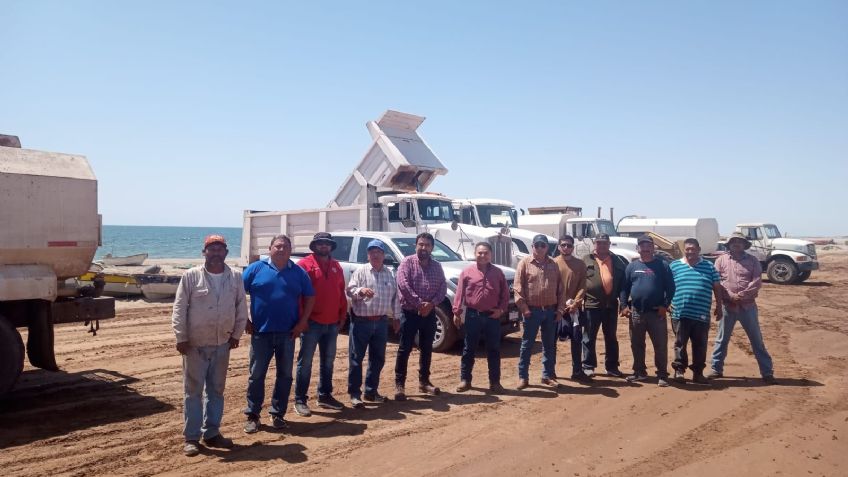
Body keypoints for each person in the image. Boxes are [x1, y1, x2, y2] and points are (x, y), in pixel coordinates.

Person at [173, 234, 248, 456]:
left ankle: (212, 433)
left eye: (220, 249)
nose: (216, 253)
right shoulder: (190, 276)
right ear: (204, 252)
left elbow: (241, 306)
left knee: (216, 390)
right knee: (193, 391)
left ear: (226, 252)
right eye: (211, 249)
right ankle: (192, 438)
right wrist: (181, 337)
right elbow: (179, 308)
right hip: (194, 344)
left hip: (222, 344)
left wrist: (236, 334)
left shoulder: (235, 277)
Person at [242, 234, 315, 433]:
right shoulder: (255, 269)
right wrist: (245, 320)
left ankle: (278, 414)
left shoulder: (298, 272)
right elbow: (237, 293)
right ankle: (253, 415)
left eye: (285, 247)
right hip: (260, 333)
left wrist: (302, 323)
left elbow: (310, 297)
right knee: (256, 375)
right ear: (270, 248)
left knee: (284, 376)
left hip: (288, 334)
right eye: (278, 246)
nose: (281, 250)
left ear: (291, 250)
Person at [708, 232, 776, 384]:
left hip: (748, 307)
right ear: (729, 244)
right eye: (734, 241)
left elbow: (757, 281)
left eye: (740, 241)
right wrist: (731, 296)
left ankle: (767, 372)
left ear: (745, 245)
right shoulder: (721, 260)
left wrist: (742, 295)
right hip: (728, 306)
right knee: (721, 339)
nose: (737, 243)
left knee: (756, 340)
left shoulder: (753, 261)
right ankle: (716, 368)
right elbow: (717, 281)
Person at [293, 233, 348, 416]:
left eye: (327, 244)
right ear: (314, 245)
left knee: (328, 361)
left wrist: (342, 315)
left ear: (331, 246)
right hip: (311, 323)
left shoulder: (336, 265)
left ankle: (324, 395)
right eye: (320, 243)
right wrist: (302, 320)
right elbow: (298, 296)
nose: (324, 246)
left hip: (332, 323)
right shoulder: (304, 265)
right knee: (305, 362)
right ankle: (300, 400)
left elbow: (341, 292)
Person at [346, 239, 402, 407]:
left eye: (378, 252)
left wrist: (397, 318)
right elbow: (349, 291)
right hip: (361, 322)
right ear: (368, 254)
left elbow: (395, 298)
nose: (375, 255)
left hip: (381, 322)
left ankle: (371, 391)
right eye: (372, 252)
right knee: (356, 359)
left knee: (378, 359)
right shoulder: (360, 271)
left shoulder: (389, 273)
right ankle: (355, 394)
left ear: (384, 255)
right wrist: (360, 291)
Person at [394, 232, 447, 401]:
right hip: (410, 313)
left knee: (426, 348)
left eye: (427, 245)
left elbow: (442, 288)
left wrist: (431, 305)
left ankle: (424, 382)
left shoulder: (437, 266)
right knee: (405, 348)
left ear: (432, 248)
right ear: (416, 246)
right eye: (421, 244)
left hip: (429, 314)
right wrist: (419, 304)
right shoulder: (407, 263)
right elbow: (403, 285)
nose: (424, 248)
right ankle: (399, 385)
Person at [453, 242, 510, 394]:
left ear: (490, 255)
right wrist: (457, 312)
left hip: (492, 317)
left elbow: (505, 295)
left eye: (485, 253)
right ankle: (465, 380)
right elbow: (459, 293)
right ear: (475, 254)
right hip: (473, 315)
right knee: (469, 348)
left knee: (494, 349)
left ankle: (495, 382)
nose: (482, 256)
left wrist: (501, 310)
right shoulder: (467, 272)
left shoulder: (498, 273)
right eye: (480, 253)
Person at [620, 235, 675, 387]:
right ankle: (640, 372)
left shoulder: (662, 265)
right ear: (637, 248)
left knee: (660, 345)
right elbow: (624, 288)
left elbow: (671, 288)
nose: (645, 248)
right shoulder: (631, 267)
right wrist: (624, 306)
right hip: (636, 312)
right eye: (642, 246)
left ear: (653, 247)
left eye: (648, 245)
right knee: (636, 344)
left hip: (657, 313)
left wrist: (665, 305)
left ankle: (662, 374)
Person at [514, 234, 564, 390]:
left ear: (547, 247)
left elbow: (560, 290)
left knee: (549, 345)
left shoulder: (553, 264)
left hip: (550, 312)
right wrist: (525, 309)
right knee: (527, 345)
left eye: (543, 245)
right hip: (532, 312)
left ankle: (547, 376)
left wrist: (560, 309)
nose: (540, 248)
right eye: (537, 245)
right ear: (532, 247)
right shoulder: (524, 263)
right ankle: (523, 377)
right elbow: (518, 288)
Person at [669, 238, 723, 385]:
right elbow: (666, 286)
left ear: (699, 249)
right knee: (680, 343)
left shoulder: (709, 266)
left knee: (700, 344)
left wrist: (719, 305)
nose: (690, 251)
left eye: (693, 249)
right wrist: (666, 302)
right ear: (684, 250)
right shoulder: (674, 266)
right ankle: (679, 371)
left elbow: (717, 287)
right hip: (680, 313)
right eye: (687, 249)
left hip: (701, 313)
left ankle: (698, 374)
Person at [581, 233, 627, 378]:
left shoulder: (617, 260)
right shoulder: (585, 260)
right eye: (599, 243)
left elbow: (623, 284)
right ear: (594, 244)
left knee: (611, 337)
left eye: (604, 243)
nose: (602, 245)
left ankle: (612, 367)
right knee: (589, 337)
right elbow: (579, 282)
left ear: (609, 244)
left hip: (611, 305)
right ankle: (588, 366)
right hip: (591, 305)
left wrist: (623, 303)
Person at [552, 234, 590, 382]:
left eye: (569, 245)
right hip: (556, 309)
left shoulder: (580, 264)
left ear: (573, 247)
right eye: (563, 245)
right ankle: (550, 371)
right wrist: (560, 305)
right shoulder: (553, 263)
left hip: (574, 309)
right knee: (551, 341)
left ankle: (577, 371)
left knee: (576, 340)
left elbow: (583, 286)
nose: (566, 248)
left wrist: (576, 303)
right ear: (559, 247)